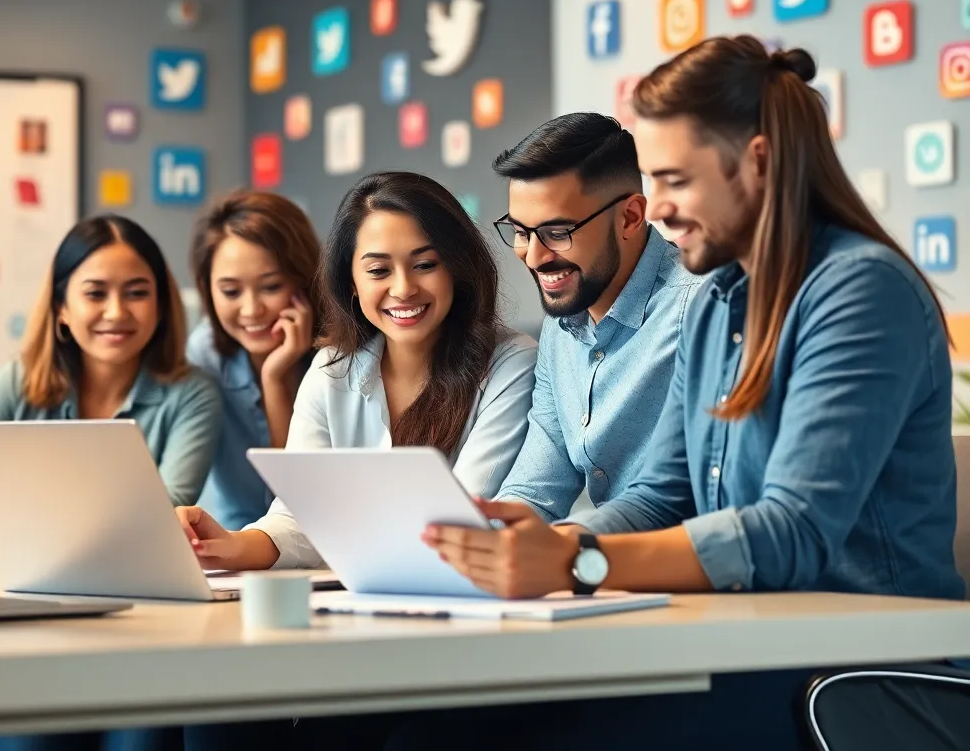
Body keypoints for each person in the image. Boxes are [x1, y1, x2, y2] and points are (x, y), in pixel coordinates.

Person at [384, 36, 965, 749]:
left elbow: (794, 531)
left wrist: (573, 563)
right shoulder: (722, 298)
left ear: (755, 162)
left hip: (857, 677)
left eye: (673, 181)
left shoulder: (856, 290)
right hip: (752, 646)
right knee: (422, 727)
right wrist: (545, 539)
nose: (654, 209)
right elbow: (665, 493)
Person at [176, 171, 537, 575]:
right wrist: (228, 544)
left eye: (424, 264)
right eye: (379, 271)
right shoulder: (332, 369)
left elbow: (466, 517)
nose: (402, 288)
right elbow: (299, 517)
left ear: (457, 267)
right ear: (351, 282)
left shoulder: (511, 364)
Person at [0, 215, 221, 751]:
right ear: (62, 307)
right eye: (95, 293)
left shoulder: (192, 394)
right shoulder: (18, 383)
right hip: (30, 624)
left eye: (137, 293)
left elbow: (164, 512)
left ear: (161, 305)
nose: (117, 312)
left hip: (147, 629)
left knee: (140, 739)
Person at [490, 113, 702, 520]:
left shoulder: (700, 307)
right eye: (520, 232)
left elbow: (680, 500)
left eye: (557, 232)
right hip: (614, 570)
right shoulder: (561, 328)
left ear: (630, 217)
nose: (533, 257)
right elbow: (535, 488)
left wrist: (570, 546)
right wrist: (481, 544)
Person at [186, 190, 321, 530]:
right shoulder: (205, 353)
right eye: (231, 292)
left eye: (271, 286)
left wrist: (276, 378)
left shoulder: (340, 355)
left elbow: (300, 498)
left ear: (304, 280)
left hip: (322, 548)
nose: (251, 310)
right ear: (208, 290)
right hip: (233, 545)